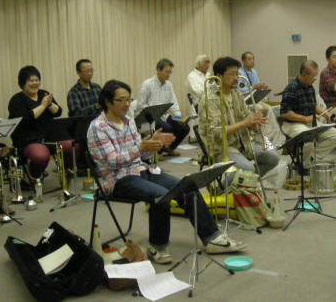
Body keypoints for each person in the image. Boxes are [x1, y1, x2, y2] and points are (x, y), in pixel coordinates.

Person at [87, 80, 245, 264]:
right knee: (162, 196)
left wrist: (154, 144)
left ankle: (212, 238)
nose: (127, 104)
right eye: (121, 100)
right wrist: (141, 147)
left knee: (188, 187)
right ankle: (157, 246)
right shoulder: (97, 127)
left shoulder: (128, 121)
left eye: (129, 100)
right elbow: (111, 161)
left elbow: (142, 155)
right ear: (108, 102)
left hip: (140, 170)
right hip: (117, 180)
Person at [198, 57, 280, 177]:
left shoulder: (236, 94)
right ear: (219, 76)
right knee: (248, 169)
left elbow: (246, 116)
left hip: (243, 143)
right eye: (232, 74)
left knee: (273, 157)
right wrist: (245, 123)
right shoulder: (209, 99)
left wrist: (254, 122)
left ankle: (247, 182)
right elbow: (217, 132)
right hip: (222, 148)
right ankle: (242, 182)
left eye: (237, 74)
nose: (237, 78)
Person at [8, 66, 76, 182]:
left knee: (72, 145)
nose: (35, 83)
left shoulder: (43, 94)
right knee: (40, 156)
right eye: (31, 80)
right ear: (23, 83)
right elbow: (25, 119)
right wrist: (43, 105)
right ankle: (32, 175)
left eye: (37, 80)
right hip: (28, 140)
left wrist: (49, 104)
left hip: (49, 136)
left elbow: (58, 112)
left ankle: (66, 171)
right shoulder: (17, 100)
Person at [280, 61, 336, 168]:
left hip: (309, 123)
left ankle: (310, 158)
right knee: (307, 138)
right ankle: (304, 165)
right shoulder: (291, 88)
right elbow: (285, 113)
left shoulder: (310, 87)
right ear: (304, 74)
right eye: (313, 76)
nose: (315, 79)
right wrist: (304, 119)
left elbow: (313, 105)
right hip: (293, 124)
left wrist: (325, 114)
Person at [138, 59, 190, 155]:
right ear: (158, 70)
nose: (168, 75)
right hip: (150, 117)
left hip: (165, 116)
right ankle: (158, 151)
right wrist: (156, 110)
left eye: (170, 72)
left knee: (185, 127)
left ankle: (169, 148)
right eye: (166, 72)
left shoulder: (169, 85)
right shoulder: (147, 84)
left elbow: (174, 103)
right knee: (167, 128)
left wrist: (178, 117)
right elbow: (141, 105)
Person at [237, 51, 286, 147]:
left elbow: (256, 86)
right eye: (249, 59)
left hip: (254, 98)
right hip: (244, 99)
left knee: (269, 108)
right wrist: (254, 88)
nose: (252, 61)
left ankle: (273, 137)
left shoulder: (254, 72)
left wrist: (261, 87)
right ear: (243, 61)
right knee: (260, 108)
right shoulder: (240, 73)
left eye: (253, 59)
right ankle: (261, 136)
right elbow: (241, 90)